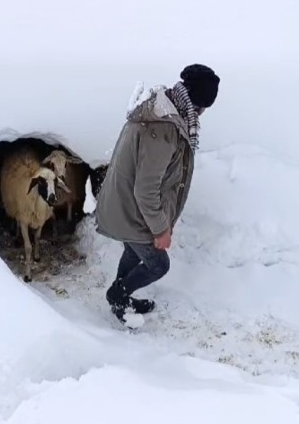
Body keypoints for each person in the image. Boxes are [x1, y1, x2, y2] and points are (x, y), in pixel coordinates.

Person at [94, 64, 220, 324]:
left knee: (133, 251)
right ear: (197, 103)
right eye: (205, 107)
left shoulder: (166, 110)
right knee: (158, 265)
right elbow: (146, 189)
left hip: (128, 206)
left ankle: (121, 301)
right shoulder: (163, 129)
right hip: (131, 208)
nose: (204, 113)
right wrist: (161, 229)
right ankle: (118, 295)